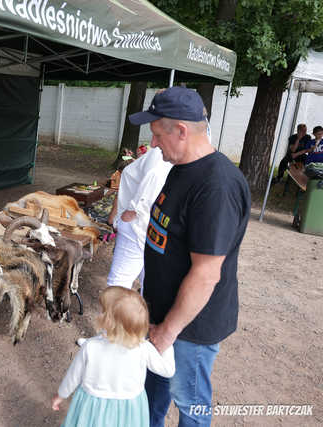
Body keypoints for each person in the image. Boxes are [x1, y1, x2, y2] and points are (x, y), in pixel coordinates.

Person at [128, 86, 251, 427]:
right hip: (163, 316)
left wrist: (167, 332)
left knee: (191, 407)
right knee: (151, 397)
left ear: (181, 131)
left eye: (156, 135)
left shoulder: (216, 187)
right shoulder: (182, 167)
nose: (152, 144)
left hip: (189, 328)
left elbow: (206, 274)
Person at [51, 287, 175, 427]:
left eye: (103, 311)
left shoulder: (91, 347)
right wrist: (168, 343)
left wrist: (61, 395)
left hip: (93, 407)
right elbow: (168, 370)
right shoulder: (143, 348)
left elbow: (73, 377)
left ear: (108, 321)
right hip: (129, 410)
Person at [106, 144, 172, 293]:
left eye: (157, 133)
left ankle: (115, 316)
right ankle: (143, 314)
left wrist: (130, 213)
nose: (153, 142)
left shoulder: (160, 154)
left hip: (135, 226)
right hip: (149, 225)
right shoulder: (167, 153)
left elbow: (154, 175)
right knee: (148, 281)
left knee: (118, 282)